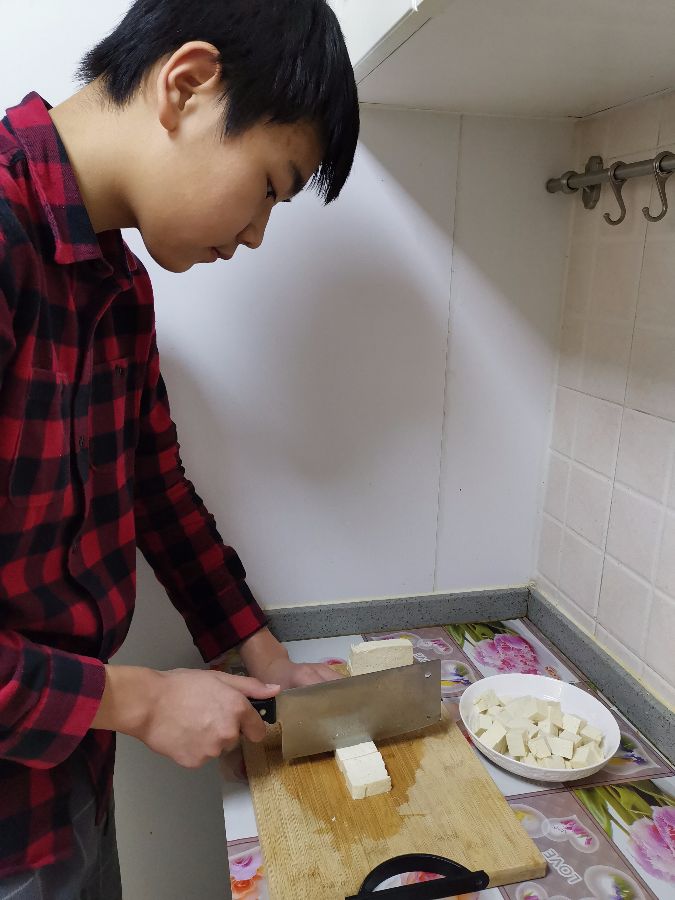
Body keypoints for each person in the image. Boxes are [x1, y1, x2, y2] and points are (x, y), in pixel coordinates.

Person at [0, 0, 359, 895]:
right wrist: (142, 700)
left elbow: (156, 490)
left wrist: (263, 658)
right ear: (188, 85)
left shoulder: (118, 282)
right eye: (270, 186)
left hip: (66, 771)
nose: (255, 234)